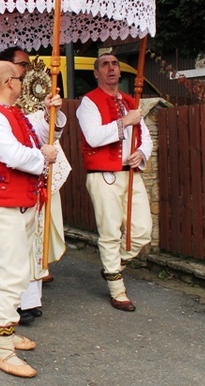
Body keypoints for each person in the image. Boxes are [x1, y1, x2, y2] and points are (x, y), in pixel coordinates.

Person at [0, 61, 58, 378]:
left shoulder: (9, 112)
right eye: (19, 78)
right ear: (9, 81)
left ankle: (4, 330)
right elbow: (13, 155)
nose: (22, 82)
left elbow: (36, 137)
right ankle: (4, 350)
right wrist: (43, 158)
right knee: (10, 275)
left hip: (15, 203)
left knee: (17, 273)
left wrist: (51, 115)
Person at [76, 53, 152, 312]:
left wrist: (141, 153)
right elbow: (94, 137)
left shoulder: (132, 100)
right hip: (103, 175)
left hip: (130, 173)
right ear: (96, 73)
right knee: (110, 232)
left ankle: (112, 267)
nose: (111, 68)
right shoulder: (88, 102)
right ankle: (117, 289)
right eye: (105, 65)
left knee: (141, 231)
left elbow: (145, 138)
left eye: (114, 64)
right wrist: (124, 122)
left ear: (120, 72)